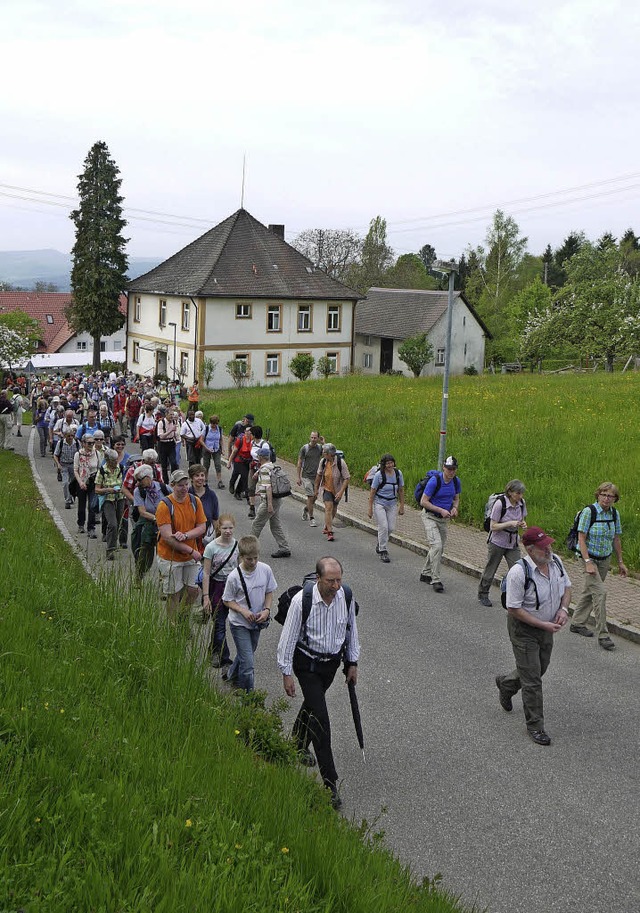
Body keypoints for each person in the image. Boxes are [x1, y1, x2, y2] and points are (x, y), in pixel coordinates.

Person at [277, 556, 360, 810]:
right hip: (307, 664)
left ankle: (296, 744)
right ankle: (329, 784)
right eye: (330, 581)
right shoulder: (302, 601)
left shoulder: (345, 597)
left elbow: (351, 630)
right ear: (318, 579)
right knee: (321, 720)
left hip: (330, 665)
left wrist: (352, 662)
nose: (336, 586)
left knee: (313, 706)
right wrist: (286, 672)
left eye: (339, 580)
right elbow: (288, 637)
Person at [496, 526, 571, 746]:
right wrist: (542, 624)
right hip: (524, 629)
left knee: (540, 668)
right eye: (542, 546)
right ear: (529, 550)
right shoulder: (518, 573)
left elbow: (567, 588)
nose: (548, 549)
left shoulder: (555, 562)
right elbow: (513, 608)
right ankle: (535, 726)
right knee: (532, 680)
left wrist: (563, 610)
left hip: (546, 627)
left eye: (548, 544)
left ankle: (507, 684)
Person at [570, 482, 627, 651]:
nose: (607, 498)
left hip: (605, 559)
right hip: (589, 559)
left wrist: (621, 562)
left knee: (590, 591)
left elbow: (616, 538)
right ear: (598, 495)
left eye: (611, 496)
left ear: (615, 499)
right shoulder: (589, 512)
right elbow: (581, 538)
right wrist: (587, 562)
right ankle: (603, 634)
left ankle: (577, 623)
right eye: (604, 494)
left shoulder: (614, 513)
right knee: (600, 593)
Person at [222, 535, 276, 692]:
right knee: (248, 663)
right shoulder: (234, 577)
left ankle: (231, 675)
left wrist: (267, 610)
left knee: (247, 653)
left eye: (255, 558)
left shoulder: (265, 569)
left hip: (257, 622)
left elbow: (269, 592)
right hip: (239, 623)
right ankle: (249, 698)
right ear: (241, 557)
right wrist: (243, 610)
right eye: (248, 559)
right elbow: (227, 600)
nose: (253, 562)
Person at [155, 468, 207, 621]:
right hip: (170, 557)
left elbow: (202, 527)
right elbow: (168, 538)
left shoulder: (194, 501)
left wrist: (185, 535)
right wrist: (190, 550)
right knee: (174, 594)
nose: (184, 488)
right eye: (180, 485)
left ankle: (182, 618)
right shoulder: (164, 505)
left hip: (189, 555)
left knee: (193, 590)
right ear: (172, 485)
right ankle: (173, 627)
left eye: (186, 484)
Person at [478, 480, 528, 607]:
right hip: (497, 542)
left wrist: (522, 524)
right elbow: (493, 526)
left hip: (513, 543)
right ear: (510, 492)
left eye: (522, 493)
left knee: (518, 570)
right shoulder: (500, 504)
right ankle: (483, 593)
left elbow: (522, 518)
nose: (520, 496)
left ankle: (515, 597)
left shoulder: (521, 503)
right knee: (491, 568)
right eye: (518, 493)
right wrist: (510, 523)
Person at [419, 456, 461, 593]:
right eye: (449, 469)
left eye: (453, 469)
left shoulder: (455, 482)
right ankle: (435, 579)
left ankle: (425, 573)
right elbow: (423, 501)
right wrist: (441, 510)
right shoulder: (434, 481)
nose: (451, 472)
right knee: (436, 545)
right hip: (430, 516)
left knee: (439, 548)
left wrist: (454, 508)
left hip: (444, 519)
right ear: (443, 468)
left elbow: (456, 498)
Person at [202, 514, 238, 669]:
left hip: (233, 588)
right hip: (216, 587)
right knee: (219, 622)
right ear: (219, 529)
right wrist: (205, 597)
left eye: (230, 528)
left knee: (222, 624)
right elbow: (206, 573)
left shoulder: (237, 545)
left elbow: (240, 570)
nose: (228, 531)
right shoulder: (211, 547)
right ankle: (224, 657)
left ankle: (213, 650)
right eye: (225, 528)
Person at [131, 464, 170, 580]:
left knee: (163, 555)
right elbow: (142, 512)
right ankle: (138, 578)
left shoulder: (163, 488)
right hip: (148, 525)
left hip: (163, 527)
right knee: (144, 554)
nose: (137, 483)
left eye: (139, 480)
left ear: (148, 477)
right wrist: (157, 519)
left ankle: (163, 582)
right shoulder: (139, 491)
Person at [251, 444, 291, 558]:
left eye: (258, 456)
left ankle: (249, 549)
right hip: (277, 500)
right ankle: (284, 548)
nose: (257, 458)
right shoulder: (272, 466)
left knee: (257, 524)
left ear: (261, 458)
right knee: (275, 525)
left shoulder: (264, 469)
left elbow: (268, 487)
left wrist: (269, 505)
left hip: (270, 501)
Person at [367, 453, 405, 563]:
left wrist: (402, 506)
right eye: (387, 463)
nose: (390, 465)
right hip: (380, 503)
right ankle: (383, 550)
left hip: (392, 503)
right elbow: (373, 491)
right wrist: (370, 508)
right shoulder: (379, 475)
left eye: (391, 462)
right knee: (383, 526)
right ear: (384, 464)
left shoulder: (398, 474)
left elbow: (401, 490)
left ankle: (380, 542)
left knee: (391, 528)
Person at [94, 448, 127, 560]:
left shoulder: (121, 468)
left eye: (116, 460)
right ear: (107, 460)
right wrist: (109, 489)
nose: (115, 462)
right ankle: (110, 549)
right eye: (113, 461)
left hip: (120, 498)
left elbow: (125, 484)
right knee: (112, 524)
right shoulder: (102, 471)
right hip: (108, 499)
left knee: (118, 523)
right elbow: (97, 490)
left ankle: (112, 541)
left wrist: (122, 490)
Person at [314, 444, 350, 543]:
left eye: (324, 453)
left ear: (330, 454)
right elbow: (319, 475)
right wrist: (316, 489)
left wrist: (341, 492)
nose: (323, 454)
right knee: (328, 508)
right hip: (326, 489)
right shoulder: (323, 462)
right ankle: (330, 532)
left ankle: (327, 524)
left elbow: (347, 478)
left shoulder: (340, 463)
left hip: (337, 490)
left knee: (334, 509)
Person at [74, 434, 100, 537]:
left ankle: (91, 528)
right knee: (81, 506)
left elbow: (98, 469)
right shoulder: (78, 454)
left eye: (93, 443)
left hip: (93, 482)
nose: (91, 445)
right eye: (89, 443)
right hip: (81, 481)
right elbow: (75, 470)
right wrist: (80, 482)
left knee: (92, 506)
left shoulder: (97, 454)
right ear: (83, 443)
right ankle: (81, 524)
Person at [296, 430, 324, 527]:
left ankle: (306, 509)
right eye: (311, 437)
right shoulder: (304, 448)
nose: (313, 439)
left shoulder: (320, 448)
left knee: (314, 498)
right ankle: (312, 518)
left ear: (317, 438)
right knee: (310, 496)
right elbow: (299, 463)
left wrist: (323, 443)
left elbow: (327, 455)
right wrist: (298, 477)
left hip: (316, 477)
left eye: (315, 438)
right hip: (306, 476)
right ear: (309, 437)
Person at [188, 463, 219, 545]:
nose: (200, 478)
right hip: (190, 536)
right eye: (197, 475)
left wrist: (217, 537)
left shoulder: (211, 495)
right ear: (191, 478)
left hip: (207, 537)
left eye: (202, 475)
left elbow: (215, 518)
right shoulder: (187, 494)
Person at [53, 428, 80, 509]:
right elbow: (55, 455)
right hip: (64, 465)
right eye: (69, 436)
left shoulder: (77, 443)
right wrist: (58, 464)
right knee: (65, 483)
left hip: (74, 465)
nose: (71, 437)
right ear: (65, 436)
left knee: (73, 483)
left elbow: (81, 454)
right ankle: (67, 500)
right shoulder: (60, 443)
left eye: (72, 436)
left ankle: (72, 495)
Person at [228, 425, 253, 500]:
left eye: (250, 431)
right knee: (235, 474)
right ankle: (231, 484)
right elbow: (234, 451)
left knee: (244, 477)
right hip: (238, 461)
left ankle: (238, 492)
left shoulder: (253, 441)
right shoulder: (240, 440)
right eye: (247, 431)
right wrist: (229, 462)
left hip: (247, 462)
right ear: (244, 431)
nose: (248, 432)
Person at [202, 414, 225, 489]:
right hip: (207, 449)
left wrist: (223, 449)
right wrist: (207, 448)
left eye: (215, 423)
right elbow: (201, 440)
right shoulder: (206, 429)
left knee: (218, 465)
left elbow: (221, 439)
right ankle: (205, 481)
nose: (214, 425)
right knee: (206, 465)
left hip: (216, 449)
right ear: (210, 423)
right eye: (213, 424)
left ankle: (220, 481)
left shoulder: (220, 429)